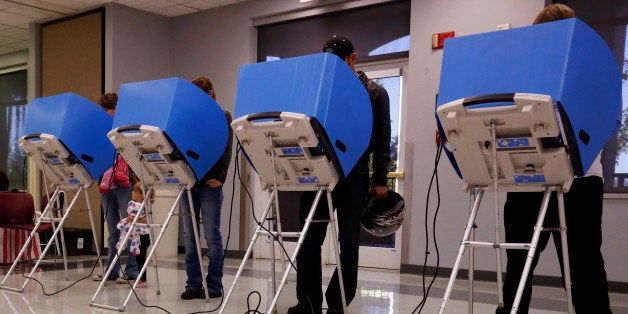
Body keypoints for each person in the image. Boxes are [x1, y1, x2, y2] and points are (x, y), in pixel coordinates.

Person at [496, 4, 612, 313]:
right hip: (542, 177)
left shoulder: (586, 70)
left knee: (574, 267)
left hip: (572, 178)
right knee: (562, 267)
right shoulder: (532, 72)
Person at [288, 36, 391, 314]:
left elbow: (382, 140)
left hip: (355, 172)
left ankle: (337, 304)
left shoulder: (375, 93)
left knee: (348, 244)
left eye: (337, 63)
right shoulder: (323, 91)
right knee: (309, 239)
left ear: (352, 59)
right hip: (321, 170)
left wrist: (380, 180)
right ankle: (307, 303)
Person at [179, 76, 233, 300]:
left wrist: (221, 177)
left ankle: (214, 285)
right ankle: (193, 284)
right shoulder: (189, 119)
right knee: (190, 237)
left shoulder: (223, 116)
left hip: (211, 183)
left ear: (211, 94)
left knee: (212, 236)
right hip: (190, 182)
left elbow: (226, 147)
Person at [93, 92, 140, 284]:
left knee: (128, 226)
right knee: (112, 229)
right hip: (107, 183)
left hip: (125, 182)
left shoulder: (126, 131)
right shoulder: (101, 131)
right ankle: (111, 270)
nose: (105, 114)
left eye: (107, 110)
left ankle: (132, 270)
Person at [115, 181, 150, 287]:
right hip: (138, 235)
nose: (132, 192)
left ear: (140, 194)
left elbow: (146, 220)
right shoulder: (135, 205)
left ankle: (142, 279)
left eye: (134, 191)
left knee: (141, 256)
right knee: (139, 257)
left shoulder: (145, 206)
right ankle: (140, 277)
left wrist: (134, 219)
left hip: (143, 235)